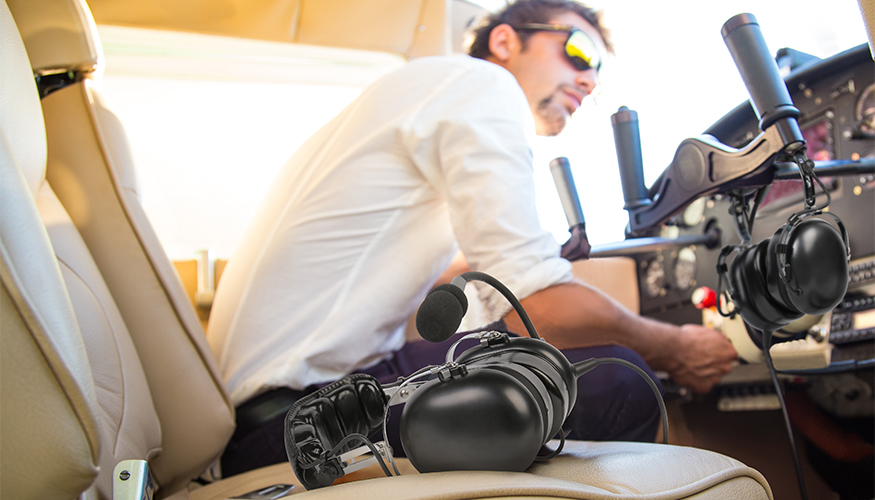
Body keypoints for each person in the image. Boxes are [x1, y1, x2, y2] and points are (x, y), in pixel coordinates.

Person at [207, 0, 738, 477]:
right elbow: (537, 310)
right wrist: (675, 347)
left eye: (597, 73)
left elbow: (470, 293)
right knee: (622, 380)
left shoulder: (427, 97)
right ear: (505, 40)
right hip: (309, 423)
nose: (587, 79)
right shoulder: (481, 84)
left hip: (279, 419)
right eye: (578, 51)